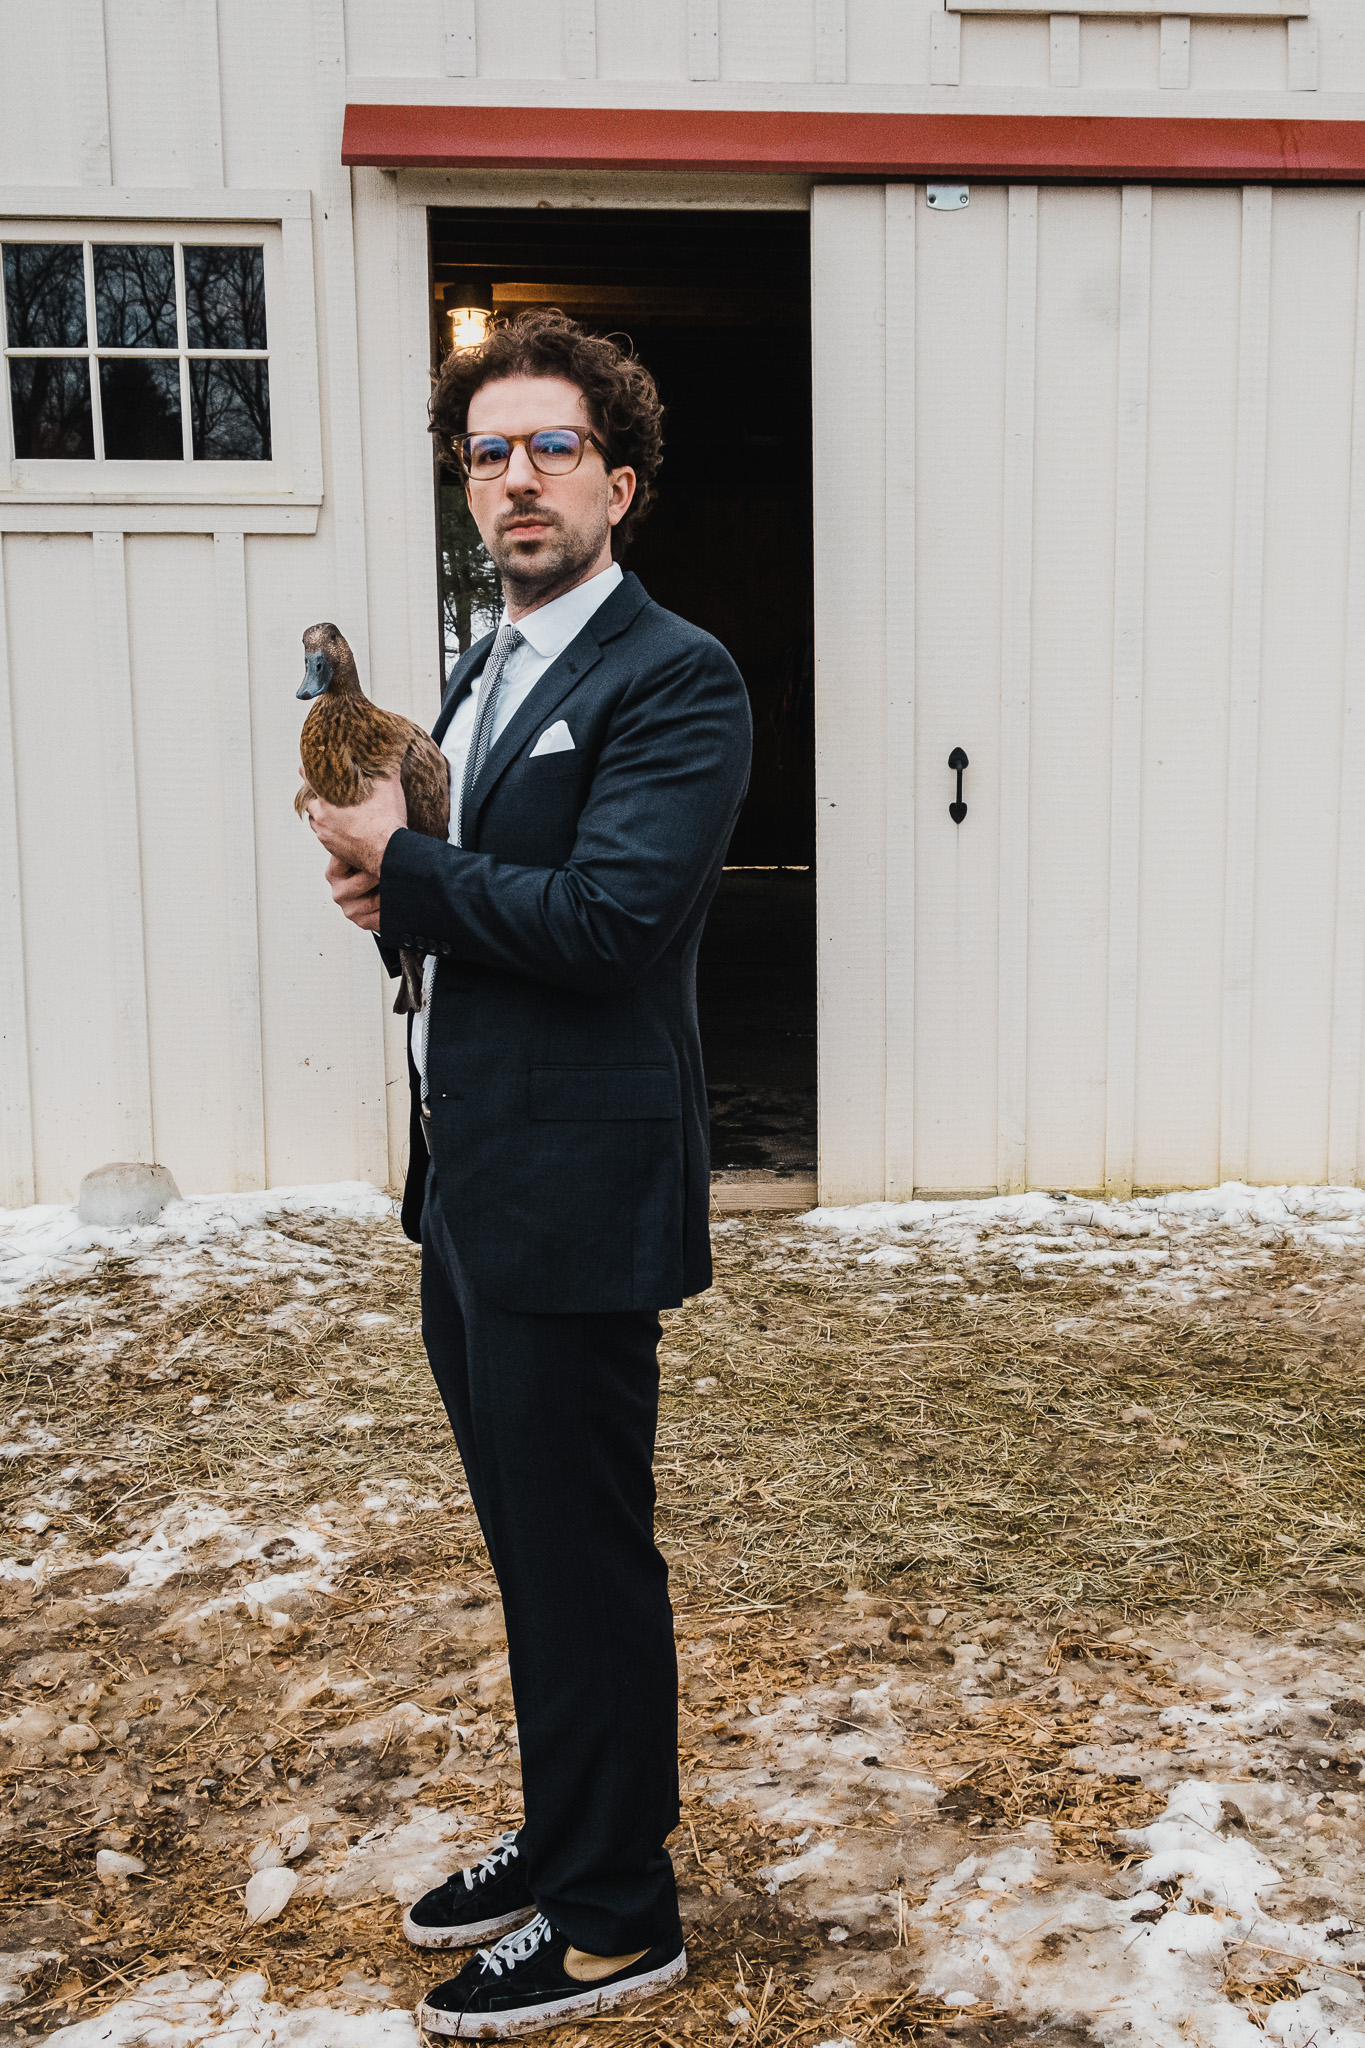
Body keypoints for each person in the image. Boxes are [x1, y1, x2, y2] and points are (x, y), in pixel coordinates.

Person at [304, 309, 752, 2039]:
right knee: (530, 1549)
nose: (516, 478)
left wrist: (411, 872)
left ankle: (614, 1919)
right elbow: (472, 897)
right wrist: (389, 897)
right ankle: (574, 1836)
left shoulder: (673, 675)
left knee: (580, 1558)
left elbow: (613, 920)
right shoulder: (482, 669)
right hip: (474, 1181)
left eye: (553, 447)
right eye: (488, 452)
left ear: (617, 482)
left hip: (576, 1191)